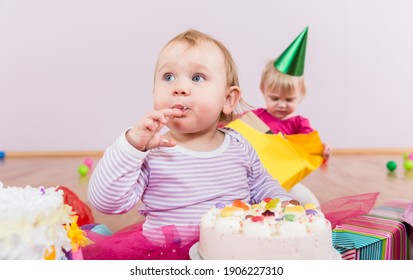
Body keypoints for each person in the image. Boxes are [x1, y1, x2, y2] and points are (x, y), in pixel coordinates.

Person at [83, 29, 293, 260]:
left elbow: (261, 185)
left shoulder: (239, 145)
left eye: (197, 78)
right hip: (166, 256)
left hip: (231, 253)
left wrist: (285, 203)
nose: (179, 88)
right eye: (168, 77)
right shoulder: (152, 152)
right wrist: (132, 145)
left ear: (228, 99)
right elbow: (106, 201)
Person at [252, 27, 331, 161]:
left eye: (289, 100)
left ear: (301, 95)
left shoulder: (300, 124)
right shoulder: (255, 117)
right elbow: (233, 128)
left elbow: (311, 147)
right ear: (263, 91)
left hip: (286, 175)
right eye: (274, 98)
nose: (282, 105)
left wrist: (322, 150)